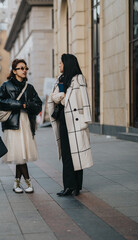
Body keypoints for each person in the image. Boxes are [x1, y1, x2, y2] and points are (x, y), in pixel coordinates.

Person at [47, 53, 94, 197]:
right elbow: (53, 96)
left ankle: (76, 186)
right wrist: (62, 96)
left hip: (76, 122)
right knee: (67, 154)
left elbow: (85, 100)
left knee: (77, 153)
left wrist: (86, 121)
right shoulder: (60, 79)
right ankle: (68, 185)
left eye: (61, 63)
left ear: (67, 64)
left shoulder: (79, 78)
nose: (59, 65)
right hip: (63, 121)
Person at [0, 59, 42, 193]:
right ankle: (28, 182)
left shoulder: (30, 88)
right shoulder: (6, 85)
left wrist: (27, 105)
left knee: (21, 154)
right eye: (21, 68)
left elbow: (38, 105)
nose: (24, 70)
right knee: (19, 154)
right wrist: (18, 104)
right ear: (14, 71)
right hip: (12, 124)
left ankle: (16, 183)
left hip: (26, 123)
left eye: (25, 68)